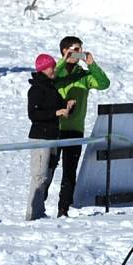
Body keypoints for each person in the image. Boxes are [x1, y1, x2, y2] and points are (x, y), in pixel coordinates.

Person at [53, 36, 110, 218]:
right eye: (74, 49)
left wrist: (92, 65)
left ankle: (63, 208)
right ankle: (39, 205)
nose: (78, 52)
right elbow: (50, 77)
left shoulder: (84, 76)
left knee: (70, 172)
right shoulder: (57, 71)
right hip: (54, 128)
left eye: (80, 49)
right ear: (64, 50)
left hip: (75, 129)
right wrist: (64, 60)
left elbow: (104, 83)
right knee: (48, 169)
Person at [26, 54, 74, 221]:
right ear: (43, 69)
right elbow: (33, 114)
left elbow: (59, 109)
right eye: (51, 67)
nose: (54, 69)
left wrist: (67, 106)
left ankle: (40, 210)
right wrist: (56, 112)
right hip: (40, 138)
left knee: (48, 174)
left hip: (53, 137)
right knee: (39, 176)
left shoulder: (51, 87)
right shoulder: (36, 89)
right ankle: (33, 214)